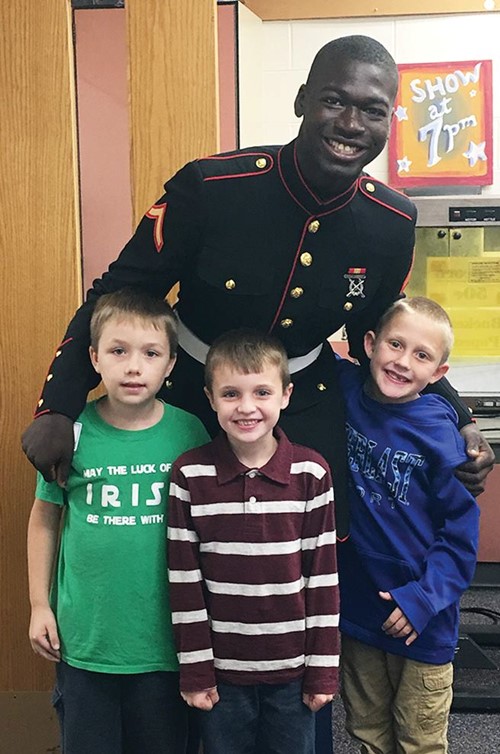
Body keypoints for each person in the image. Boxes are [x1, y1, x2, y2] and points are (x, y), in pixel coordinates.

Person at [27, 290, 210, 754]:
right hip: (87, 643)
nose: (134, 367)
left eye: (150, 354)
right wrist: (38, 606)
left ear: (170, 365)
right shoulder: (71, 433)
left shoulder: (190, 432)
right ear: (94, 358)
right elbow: (45, 520)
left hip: (165, 646)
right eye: (118, 351)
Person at [167, 329, 339, 754]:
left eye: (262, 391)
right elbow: (184, 583)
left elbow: (323, 581)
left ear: (285, 394)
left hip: (293, 673)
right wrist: (196, 670)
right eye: (231, 394)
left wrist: (322, 671)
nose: (247, 407)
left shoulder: (311, 474)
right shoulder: (190, 476)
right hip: (222, 676)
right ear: (210, 398)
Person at [335, 297, 480, 754]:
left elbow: (460, 532)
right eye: (395, 345)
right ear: (369, 344)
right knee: (368, 733)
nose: (402, 361)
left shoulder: (439, 435)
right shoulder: (343, 392)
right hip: (359, 611)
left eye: (421, 355)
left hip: (424, 619)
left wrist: (423, 599)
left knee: (419, 741)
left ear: (439, 374)